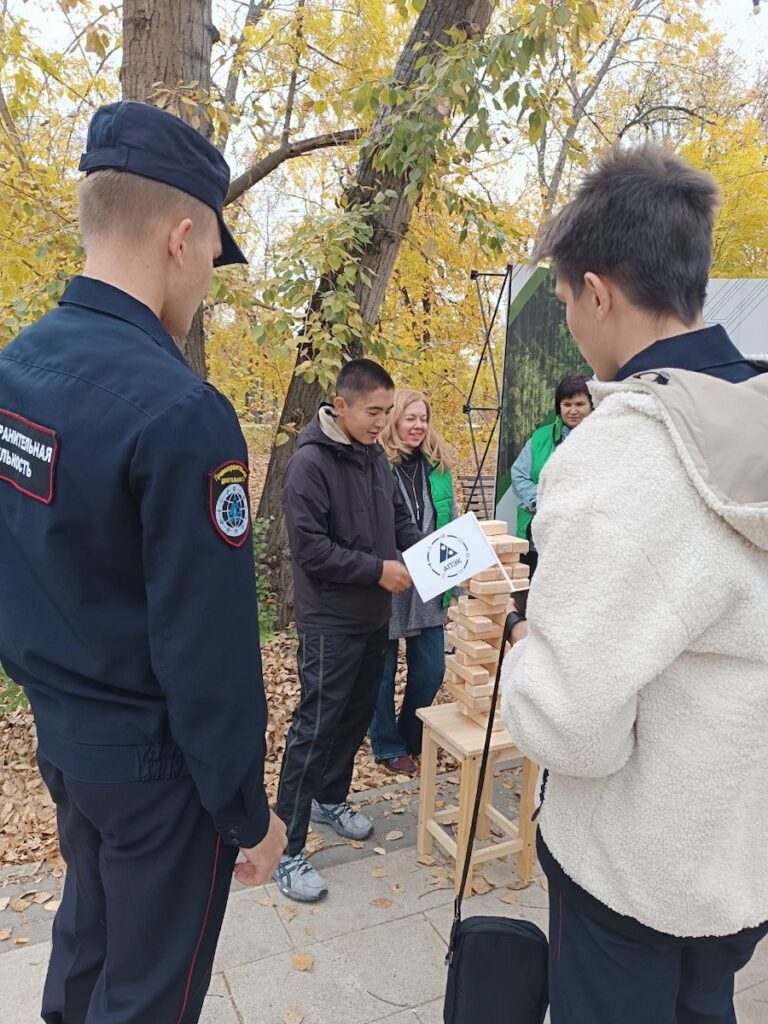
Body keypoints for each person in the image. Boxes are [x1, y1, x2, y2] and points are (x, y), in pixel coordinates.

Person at [0, 101, 286, 1024]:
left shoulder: (17, 372)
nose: (208, 276)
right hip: (159, 773)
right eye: (211, 255)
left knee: (84, 949)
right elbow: (210, 656)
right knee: (148, 994)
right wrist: (247, 813)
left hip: (65, 739)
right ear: (180, 235)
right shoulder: (181, 413)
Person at [501, 143, 768, 1024]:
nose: (572, 317)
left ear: (599, 291)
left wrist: (523, 653)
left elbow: (576, 731)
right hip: (741, 855)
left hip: (632, 872)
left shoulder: (623, 454)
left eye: (566, 297)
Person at [275, 359, 422, 902]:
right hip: (330, 622)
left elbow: (395, 523)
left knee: (355, 715)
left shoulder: (373, 459)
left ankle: (329, 799)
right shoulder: (309, 465)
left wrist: (429, 549)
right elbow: (311, 549)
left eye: (388, 411)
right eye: (374, 412)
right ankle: (286, 849)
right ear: (341, 406)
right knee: (315, 728)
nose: (382, 423)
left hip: (372, 620)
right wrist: (376, 570)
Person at [369, 389, 459, 776]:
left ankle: (410, 733)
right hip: (389, 578)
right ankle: (388, 745)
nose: (418, 426)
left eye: (423, 418)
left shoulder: (438, 466)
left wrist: (454, 575)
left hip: (430, 579)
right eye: (410, 418)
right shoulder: (375, 464)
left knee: (431, 668)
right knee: (381, 672)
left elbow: (451, 520)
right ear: (394, 420)